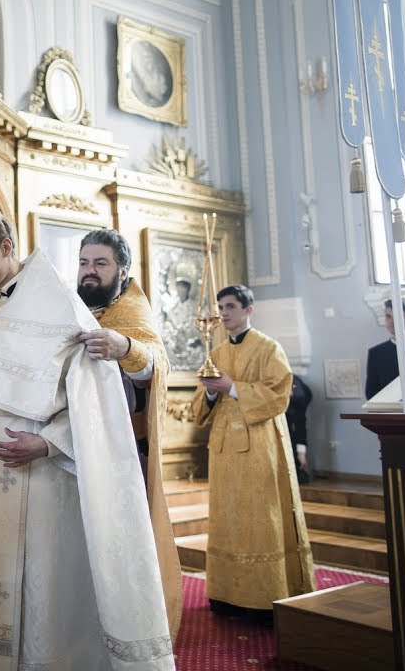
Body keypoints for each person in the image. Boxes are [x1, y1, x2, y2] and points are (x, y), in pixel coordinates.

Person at [0, 204, 175, 670]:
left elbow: (96, 399)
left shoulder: (59, 302)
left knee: (41, 590)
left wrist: (48, 443)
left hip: (43, 477)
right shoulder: (3, 299)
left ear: (6, 247)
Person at [72, 228, 183, 642]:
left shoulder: (132, 310)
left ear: (122, 270)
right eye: (84, 263)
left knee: (117, 544)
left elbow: (155, 364)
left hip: (119, 453)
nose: (89, 272)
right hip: (72, 445)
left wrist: (124, 348)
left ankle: (128, 631)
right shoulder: (76, 306)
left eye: (100, 264)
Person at [188, 284, 315, 625]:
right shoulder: (216, 351)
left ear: (248, 310)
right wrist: (213, 394)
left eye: (230, 306)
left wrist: (231, 387)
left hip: (260, 447)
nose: (223, 313)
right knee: (228, 519)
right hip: (224, 450)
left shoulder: (268, 347)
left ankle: (262, 597)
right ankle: (228, 595)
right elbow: (202, 409)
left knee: (261, 519)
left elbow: (280, 396)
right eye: (220, 307)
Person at [286, 377, 313, 484]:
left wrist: (301, 453)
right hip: (280, 403)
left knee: (293, 432)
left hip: (298, 401)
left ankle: (300, 467)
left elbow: (300, 426)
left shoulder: (301, 397)